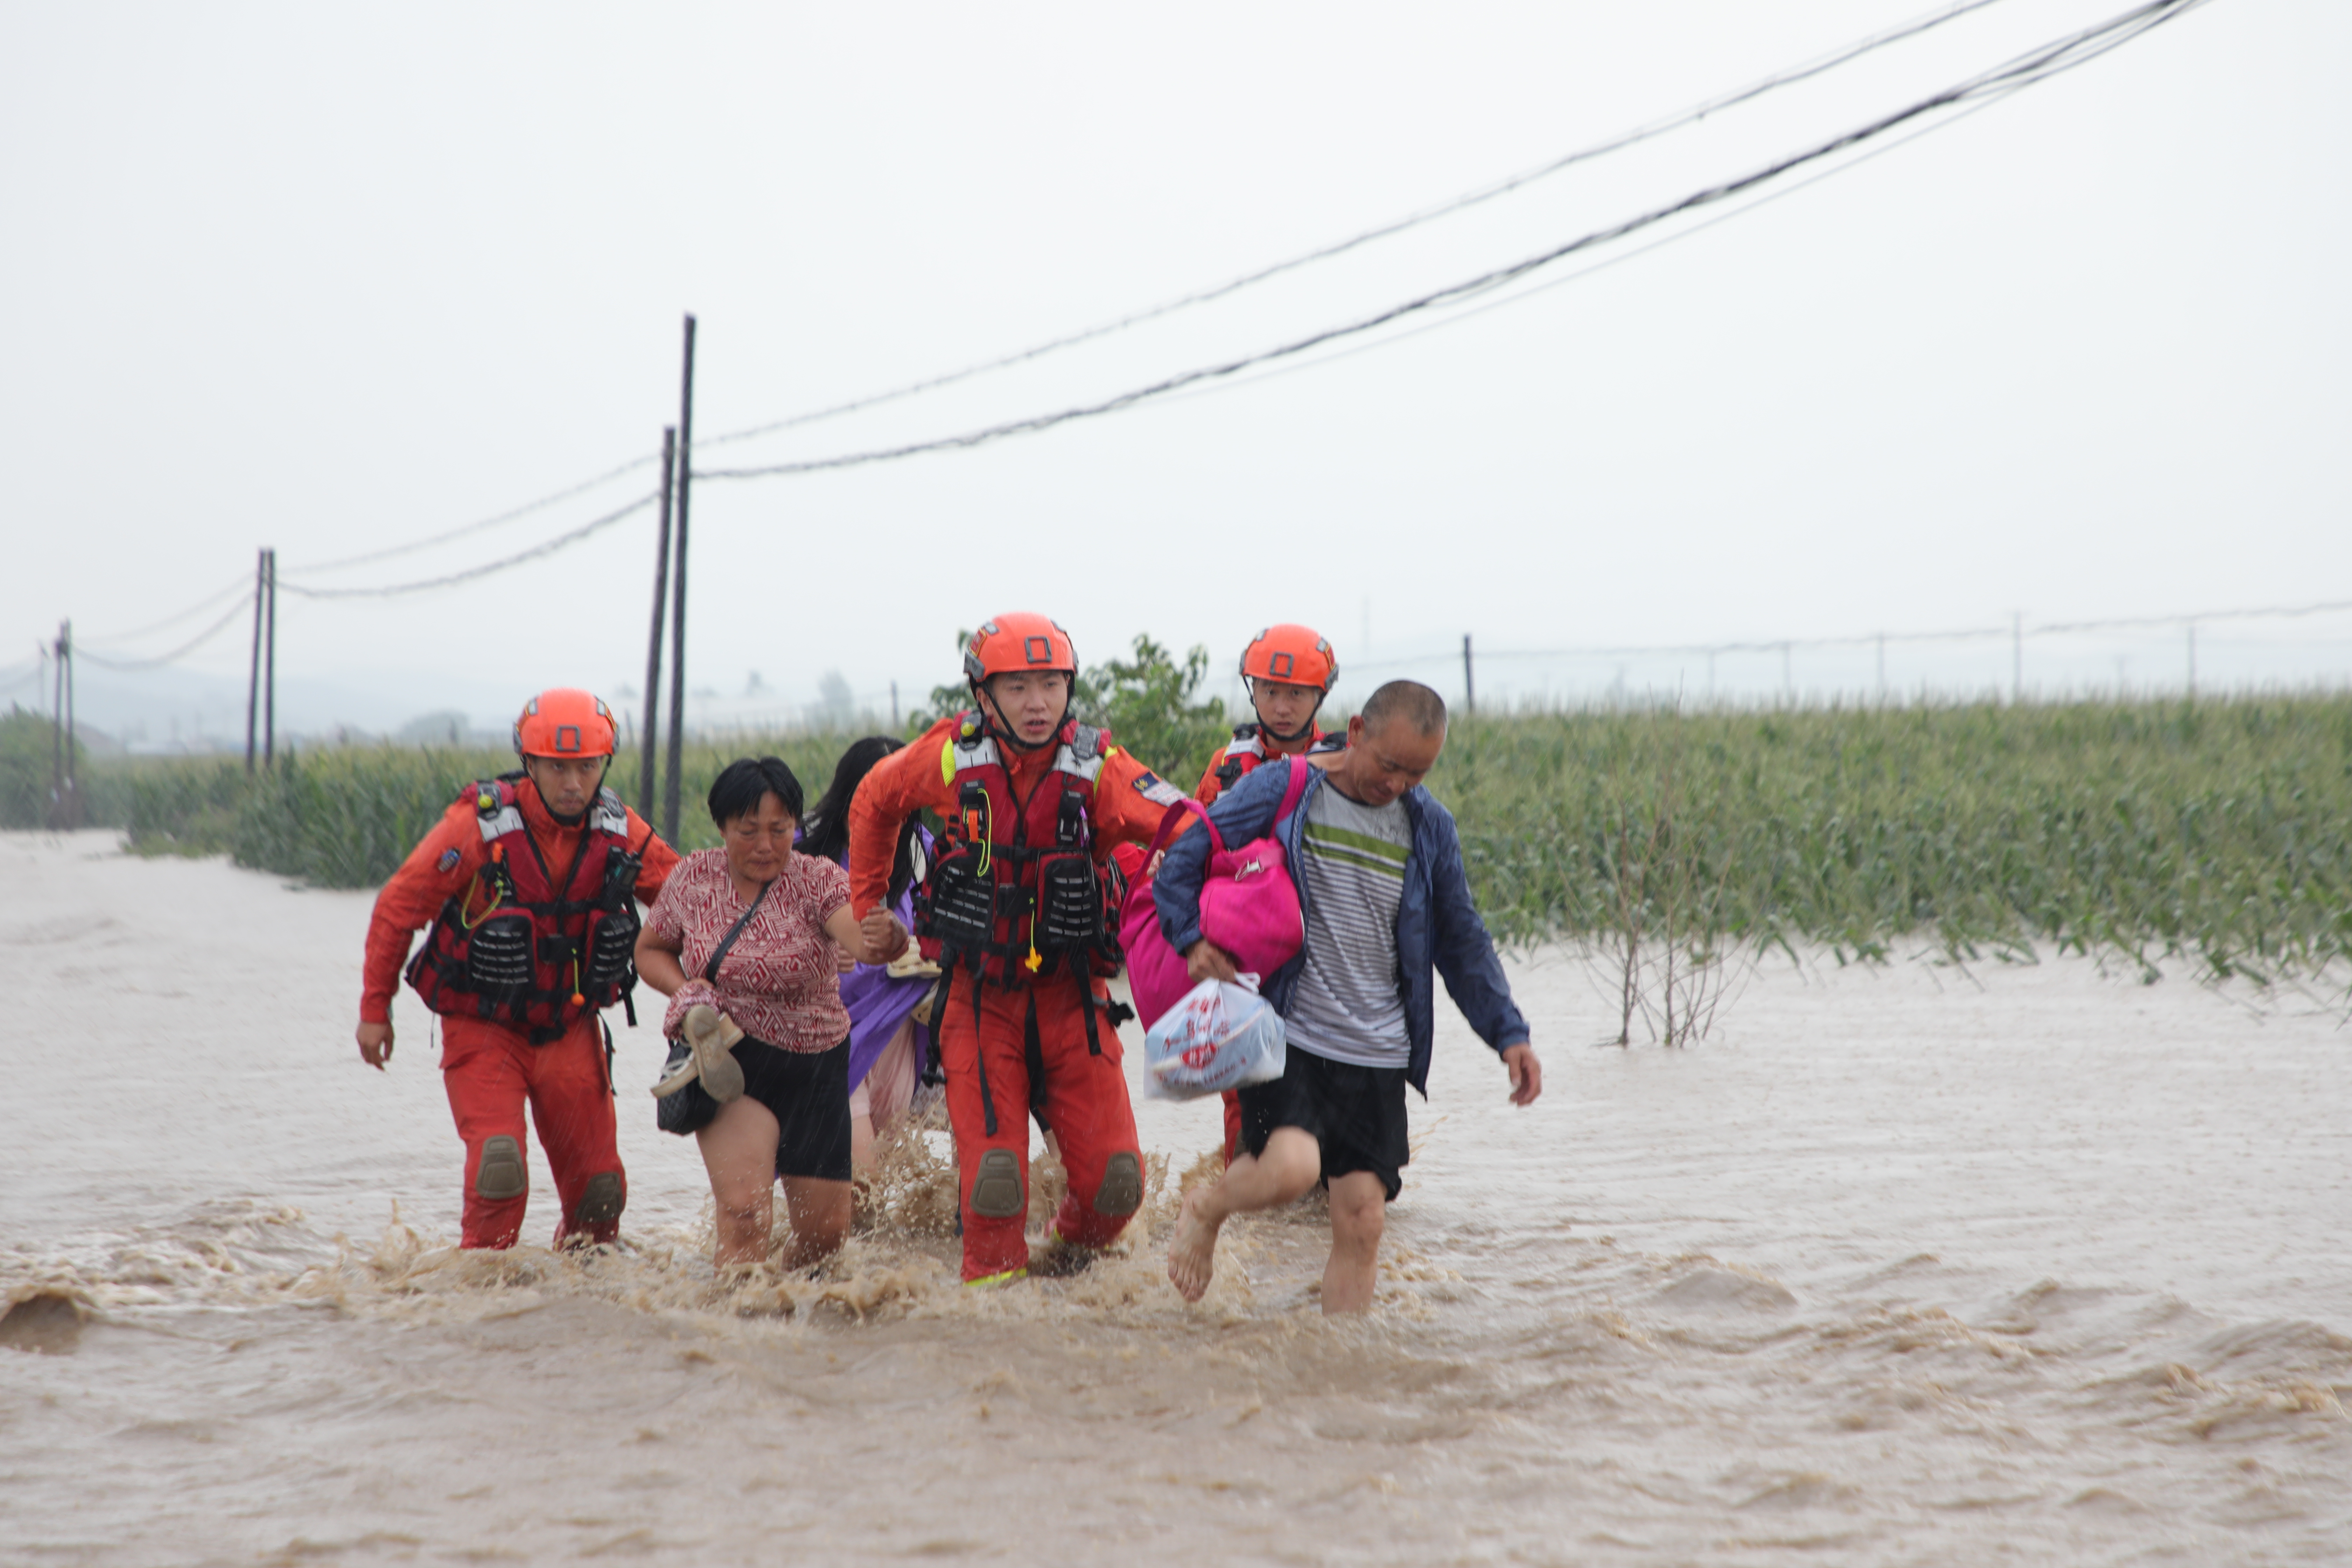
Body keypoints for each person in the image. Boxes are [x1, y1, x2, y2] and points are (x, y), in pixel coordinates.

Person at [1156, 679, 1541, 1312]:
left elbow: (1463, 939)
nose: (1396, 784)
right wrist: (1191, 938)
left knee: (1362, 1220)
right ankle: (1207, 1206)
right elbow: (1189, 851)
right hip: (1291, 1030)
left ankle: (1341, 1374)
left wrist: (1510, 1034)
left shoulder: (1428, 827)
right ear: (1357, 731)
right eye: (1388, 765)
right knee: (1291, 1171)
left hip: (1379, 1050)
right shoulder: (1287, 789)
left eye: (1416, 773)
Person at [849, 613, 1188, 1285]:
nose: (1038, 704)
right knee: (995, 1187)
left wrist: (1232, 894)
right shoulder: (949, 756)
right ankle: (992, 1330)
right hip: (981, 1002)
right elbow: (874, 799)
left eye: (1051, 685)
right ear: (984, 695)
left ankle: (1064, 1258)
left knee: (1118, 1186)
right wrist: (870, 910)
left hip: (1074, 1001)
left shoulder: (1101, 767)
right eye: (1019, 688)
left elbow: (1182, 824)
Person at [355, 689, 678, 1250]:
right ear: (529, 764)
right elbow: (398, 906)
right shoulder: (474, 829)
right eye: (557, 768)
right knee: (499, 1171)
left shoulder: (620, 829)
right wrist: (374, 1009)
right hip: (484, 1029)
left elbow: (693, 900)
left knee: (601, 1195)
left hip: (570, 1028)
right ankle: (485, 1306)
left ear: (605, 764)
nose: (574, 784)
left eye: (587, 767)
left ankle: (581, 1312)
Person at [635, 757, 877, 1271]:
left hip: (817, 1065)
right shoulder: (693, 879)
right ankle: (732, 1335)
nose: (765, 845)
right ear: (722, 827)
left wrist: (880, 939)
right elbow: (650, 950)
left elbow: (856, 933)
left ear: (797, 826)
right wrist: (687, 990)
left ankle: (783, 1318)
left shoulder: (818, 879)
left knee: (826, 1237)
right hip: (730, 1056)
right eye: (748, 831)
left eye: (780, 829)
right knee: (745, 1215)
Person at [1188, 623, 1345, 1162]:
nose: (1281, 706)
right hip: (1247, 953)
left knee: (1334, 1084)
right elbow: (1195, 846)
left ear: (1319, 697)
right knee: (1244, 1090)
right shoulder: (1227, 766)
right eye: (1270, 691)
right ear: (1252, 690)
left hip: (1321, 951)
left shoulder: (1346, 765)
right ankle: (1247, 1211)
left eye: (1296, 694)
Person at [795, 735, 935, 1171]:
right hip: (824, 1033)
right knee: (863, 1179)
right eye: (877, 790)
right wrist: (813, 947)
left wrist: (925, 952)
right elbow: (755, 927)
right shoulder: (800, 851)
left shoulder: (923, 851)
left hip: (896, 1033)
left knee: (886, 1193)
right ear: (851, 791)